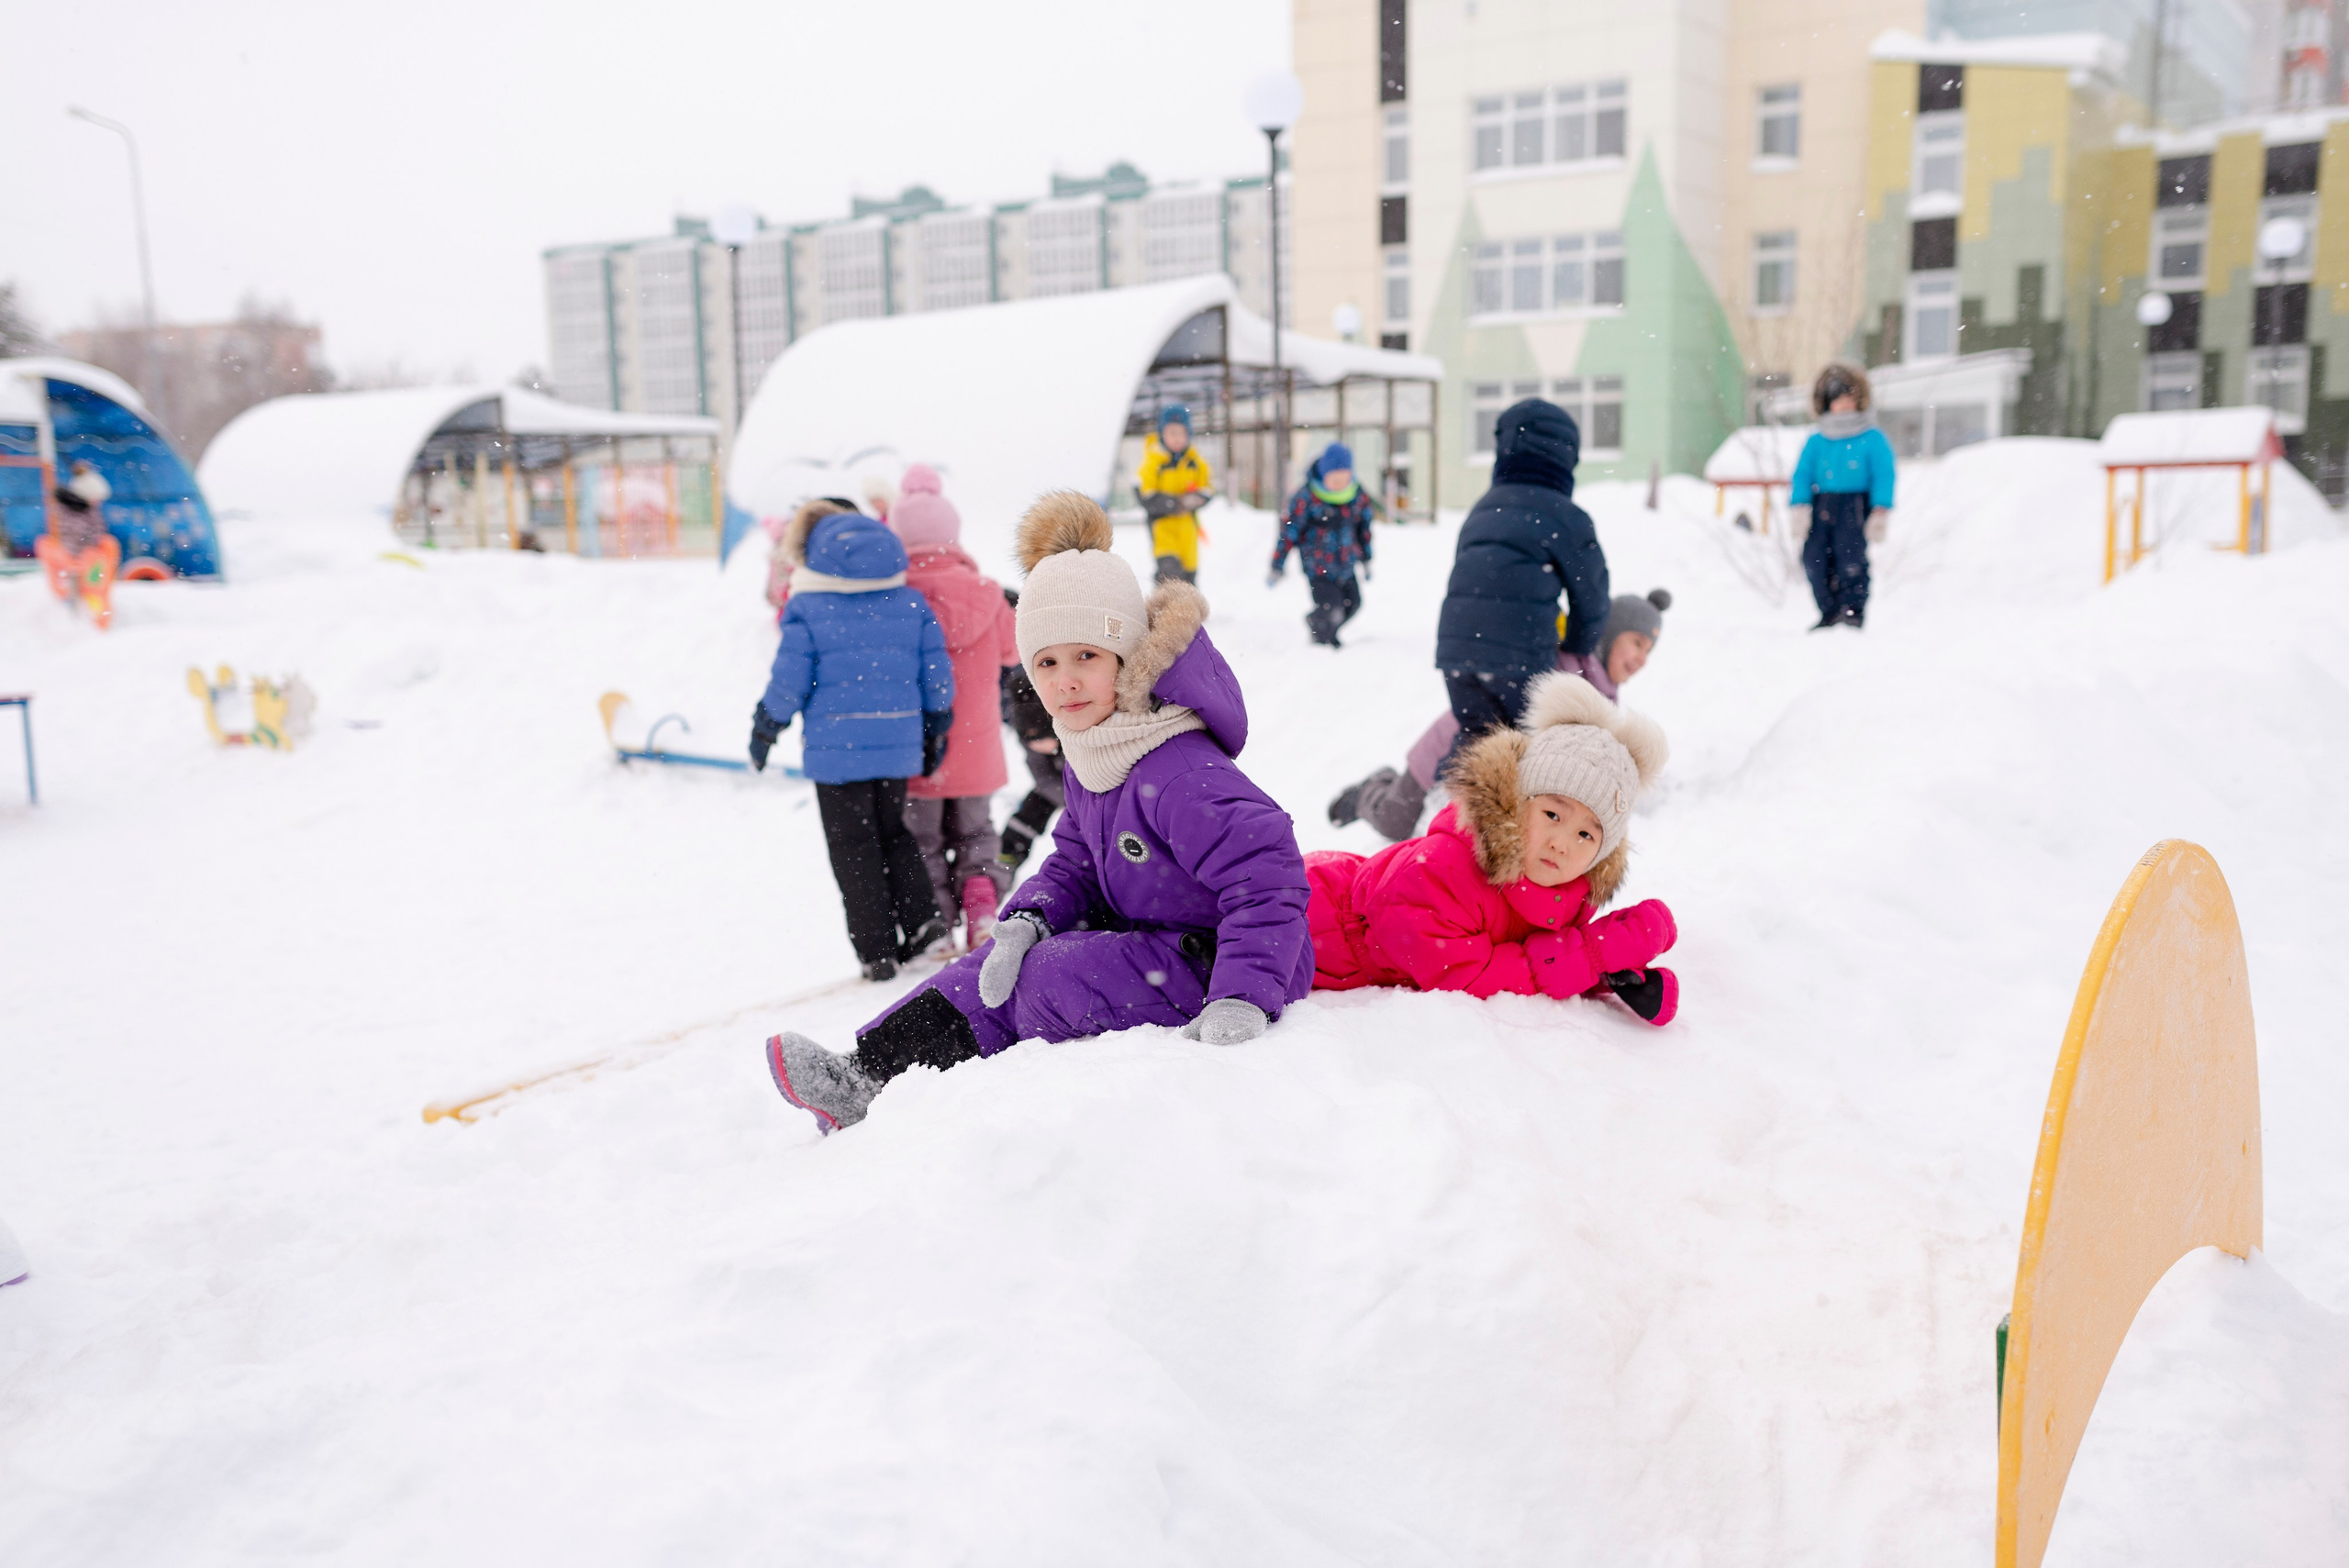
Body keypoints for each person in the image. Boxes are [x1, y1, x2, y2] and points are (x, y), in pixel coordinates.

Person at [763, 492, 1313, 1135]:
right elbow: (1077, 860)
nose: (1066, 680)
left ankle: (941, 1075)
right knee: (992, 962)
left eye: (1087, 656)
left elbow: (1269, 870)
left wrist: (1242, 995)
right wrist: (1029, 916)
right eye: (1047, 662)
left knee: (1046, 980)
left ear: (1127, 658)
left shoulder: (1176, 770)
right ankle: (862, 1072)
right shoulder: (1097, 750)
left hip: (1219, 959)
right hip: (1151, 933)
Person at [1306, 672, 1679, 1025]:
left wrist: (1610, 968)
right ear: (1518, 803)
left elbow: (1540, 952)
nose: (1561, 843)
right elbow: (1465, 976)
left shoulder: (1566, 890)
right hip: (1305, 915)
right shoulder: (1442, 870)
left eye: (1586, 836)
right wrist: (1592, 952)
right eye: (1552, 814)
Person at [749, 498, 955, 983]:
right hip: (898, 743)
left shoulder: (806, 607)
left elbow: (789, 679)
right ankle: (925, 928)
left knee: (852, 845)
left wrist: (765, 726)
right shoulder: (909, 602)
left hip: (835, 751)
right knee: (894, 834)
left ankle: (876, 950)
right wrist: (935, 725)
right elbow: (936, 673)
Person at [1331, 587, 1671, 843]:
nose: (1643, 658)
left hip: (1483, 765)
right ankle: (1370, 790)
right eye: (1637, 642)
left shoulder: (1605, 695)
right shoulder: (1565, 669)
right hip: (1453, 745)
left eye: (1650, 650)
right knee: (1396, 823)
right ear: (1609, 635)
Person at [1434, 397, 1609, 766]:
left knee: (1476, 747)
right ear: (1566, 459)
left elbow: (1470, 575)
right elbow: (1591, 594)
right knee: (1530, 755)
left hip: (1458, 655)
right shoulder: (1566, 516)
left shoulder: (1482, 508)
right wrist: (1577, 643)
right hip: (1521, 658)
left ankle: (1444, 807)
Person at [892, 464, 1022, 953]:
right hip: (978, 742)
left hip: (920, 745)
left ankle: (939, 927)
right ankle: (983, 909)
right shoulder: (988, 593)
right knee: (976, 832)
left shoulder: (895, 597)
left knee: (922, 840)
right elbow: (1013, 653)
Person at [1788, 362, 1897, 630]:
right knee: (1814, 560)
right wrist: (1799, 506)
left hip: (1855, 506)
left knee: (1850, 560)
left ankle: (1851, 612)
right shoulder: (1817, 440)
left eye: (1849, 398)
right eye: (1838, 399)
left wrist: (1880, 510)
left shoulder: (1872, 438)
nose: (1844, 404)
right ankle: (1829, 611)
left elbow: (1884, 473)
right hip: (1821, 505)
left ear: (1859, 399)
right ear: (1826, 403)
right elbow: (1802, 474)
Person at [1269, 441, 1377, 648]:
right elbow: (1289, 532)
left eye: (1344, 479)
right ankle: (1323, 641)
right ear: (1323, 474)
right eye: (1334, 480)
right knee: (1332, 607)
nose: (1339, 484)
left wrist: (1367, 558)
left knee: (1353, 604)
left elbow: (1363, 529)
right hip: (1318, 567)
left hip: (1346, 564)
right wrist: (1277, 564)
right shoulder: (1307, 497)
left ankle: (1318, 623)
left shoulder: (1356, 496)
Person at [995, 586, 1064, 872]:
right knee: (1037, 804)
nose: (1040, 747)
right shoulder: (1030, 732)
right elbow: (1044, 780)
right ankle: (1006, 856)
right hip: (1023, 704)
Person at [1136, 404, 1214, 584]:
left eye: (1182, 433)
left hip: (1188, 529)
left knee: (1189, 576)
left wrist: (1194, 500)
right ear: (1162, 434)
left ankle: (1190, 611)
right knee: (1169, 574)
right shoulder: (1154, 461)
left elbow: (1208, 487)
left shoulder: (1194, 462)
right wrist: (1174, 503)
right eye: (1172, 433)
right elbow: (1145, 493)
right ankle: (1164, 610)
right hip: (1163, 528)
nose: (1177, 439)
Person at [38, 461, 121, 628]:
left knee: (92, 590)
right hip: (80, 561)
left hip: (81, 562)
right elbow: (77, 537)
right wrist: (82, 555)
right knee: (94, 592)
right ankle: (93, 625)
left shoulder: (76, 510)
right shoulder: (74, 513)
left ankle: (90, 622)